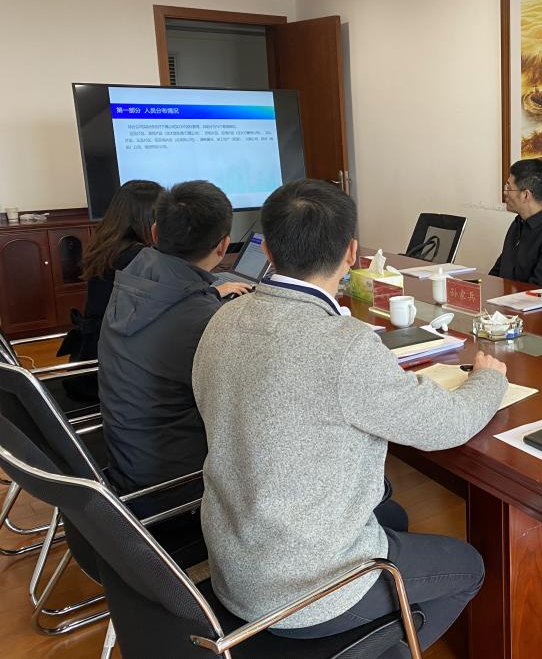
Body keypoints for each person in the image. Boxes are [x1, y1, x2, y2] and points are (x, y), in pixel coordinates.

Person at [192, 179, 508, 654]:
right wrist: (487, 380)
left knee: (393, 514)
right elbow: (446, 426)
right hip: (307, 590)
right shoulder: (344, 345)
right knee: (468, 567)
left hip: (235, 562)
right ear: (352, 253)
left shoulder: (222, 318)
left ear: (268, 250)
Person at [98, 180, 251, 507]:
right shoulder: (204, 321)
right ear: (223, 246)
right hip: (176, 486)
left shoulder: (132, 278)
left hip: (126, 462)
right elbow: (244, 409)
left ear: (154, 233)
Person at [58, 180, 164, 361]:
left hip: (93, 346)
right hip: (112, 355)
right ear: (149, 217)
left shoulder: (108, 245)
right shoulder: (137, 256)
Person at [491, 158, 542, 290]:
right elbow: (498, 272)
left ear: (525, 195)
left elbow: (538, 292)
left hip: (534, 302)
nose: (505, 192)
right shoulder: (518, 223)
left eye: (509, 188)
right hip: (506, 299)